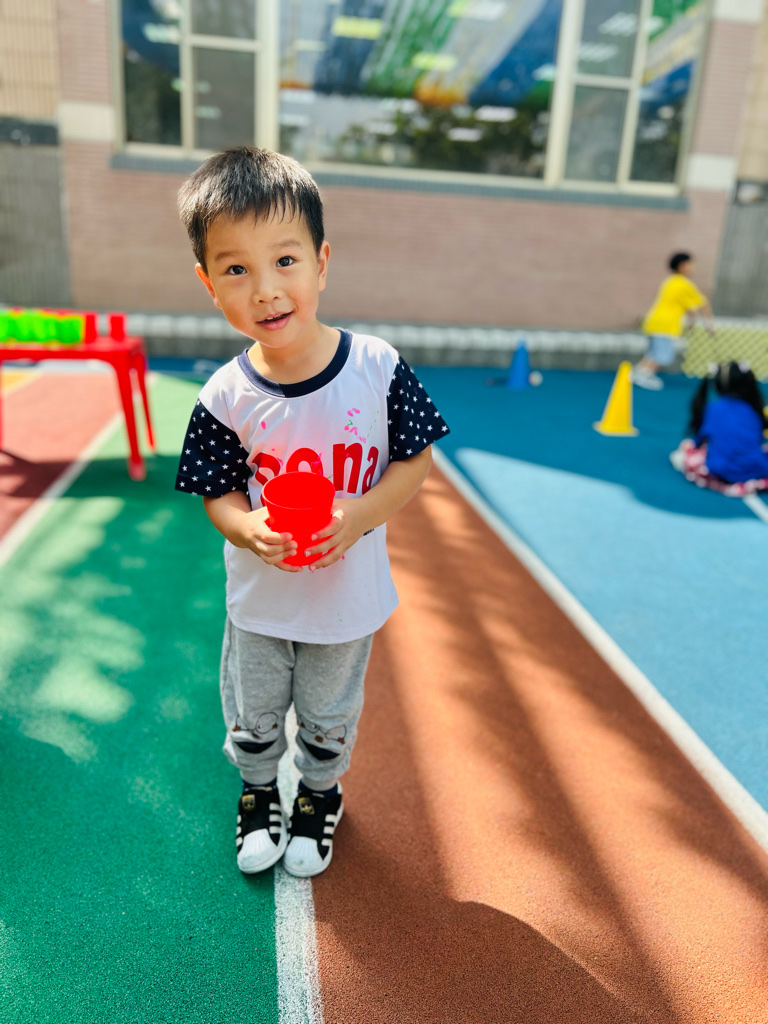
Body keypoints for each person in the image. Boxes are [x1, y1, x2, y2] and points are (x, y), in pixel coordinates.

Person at [174, 147, 449, 878]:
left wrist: (359, 516)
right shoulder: (224, 395)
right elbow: (215, 490)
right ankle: (259, 791)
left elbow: (415, 460)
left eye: (285, 260)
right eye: (237, 269)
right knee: (254, 712)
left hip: (343, 600)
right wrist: (244, 526)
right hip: (261, 601)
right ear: (209, 284)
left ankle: (319, 795)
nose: (266, 289)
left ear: (322, 263)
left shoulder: (376, 368)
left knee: (329, 715)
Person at [670, 361, 768, 495]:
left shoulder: (714, 408)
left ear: (717, 385)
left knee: (686, 449)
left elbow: (699, 441)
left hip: (722, 470)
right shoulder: (754, 411)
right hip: (756, 469)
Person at [633, 252, 714, 390]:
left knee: (653, 352)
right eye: (691, 264)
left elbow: (688, 306)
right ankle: (643, 375)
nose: (693, 267)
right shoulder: (685, 284)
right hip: (665, 325)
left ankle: (639, 372)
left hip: (654, 322)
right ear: (682, 266)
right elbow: (703, 304)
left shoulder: (670, 281)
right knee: (662, 355)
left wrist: (692, 321)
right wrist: (709, 325)